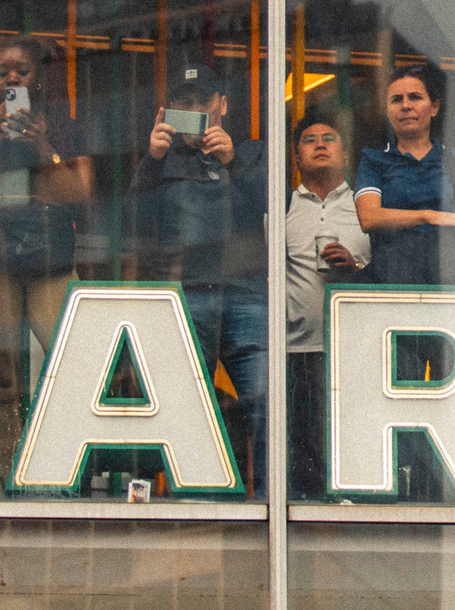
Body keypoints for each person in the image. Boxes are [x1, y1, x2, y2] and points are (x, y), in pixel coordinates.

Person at [135, 66, 266, 484]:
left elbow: (277, 210)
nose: (193, 111)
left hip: (246, 295)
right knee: (189, 409)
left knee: (264, 403)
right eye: (184, 103)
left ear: (223, 105)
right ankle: (200, 507)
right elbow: (132, 223)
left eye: (202, 101)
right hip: (186, 296)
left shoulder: (252, 153)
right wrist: (151, 161)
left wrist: (233, 160)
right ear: (170, 111)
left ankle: (270, 504)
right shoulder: (161, 159)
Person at [0, 36, 93, 483]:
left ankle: (60, 476)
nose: (11, 78)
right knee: (1, 375)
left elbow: (82, 197)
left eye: (21, 71)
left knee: (68, 364)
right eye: (2, 71)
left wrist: (45, 149)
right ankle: (9, 483)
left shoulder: (64, 126)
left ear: (39, 78)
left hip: (51, 257)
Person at [282, 112, 369, 494]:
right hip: (294, 349)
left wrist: (357, 264)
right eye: (309, 139)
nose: (320, 143)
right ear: (296, 157)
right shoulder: (280, 206)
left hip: (356, 351)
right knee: (302, 454)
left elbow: (390, 270)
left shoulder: (366, 206)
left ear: (346, 155)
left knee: (353, 446)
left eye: (329, 138)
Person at [358, 69, 455, 288]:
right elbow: (369, 218)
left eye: (415, 97)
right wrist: (431, 216)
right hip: (395, 285)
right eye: (396, 100)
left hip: (452, 286)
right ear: (387, 111)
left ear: (434, 107)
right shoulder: (374, 160)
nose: (406, 105)